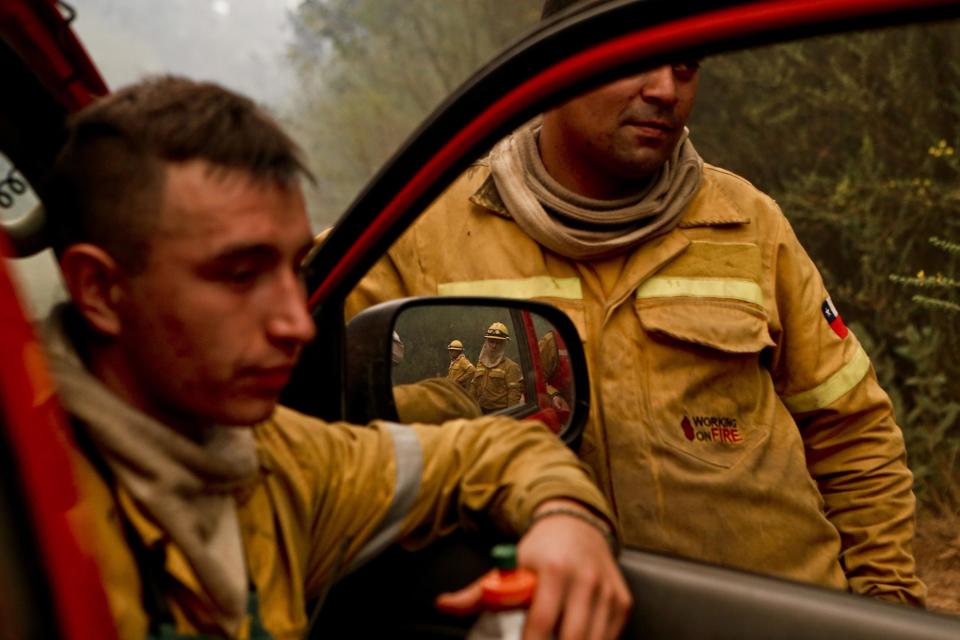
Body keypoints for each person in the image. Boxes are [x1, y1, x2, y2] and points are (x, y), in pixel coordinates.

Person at [344, 0, 927, 606]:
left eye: (685, 65)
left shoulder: (748, 221)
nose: (665, 91)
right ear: (555, 65)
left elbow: (852, 430)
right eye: (636, 62)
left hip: (779, 617)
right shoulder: (419, 233)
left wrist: (886, 602)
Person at [41, 75, 630, 639]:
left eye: (293, 270)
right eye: (241, 275)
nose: (298, 323)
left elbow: (492, 447)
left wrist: (566, 516)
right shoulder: (30, 508)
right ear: (99, 290)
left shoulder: (282, 461)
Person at [470, 322, 524, 413]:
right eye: (491, 341)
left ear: (504, 344)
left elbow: (513, 397)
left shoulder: (511, 367)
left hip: (500, 413)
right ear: (486, 342)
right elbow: (473, 388)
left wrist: (509, 418)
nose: (494, 346)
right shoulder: (480, 364)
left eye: (498, 343)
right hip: (480, 412)